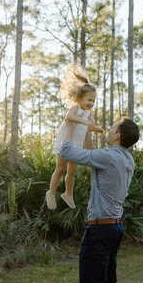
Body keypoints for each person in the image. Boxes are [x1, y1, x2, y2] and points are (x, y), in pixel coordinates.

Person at [59, 117, 140, 283]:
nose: (110, 127)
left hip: (99, 230)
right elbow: (94, 154)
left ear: (117, 136)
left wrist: (70, 124)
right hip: (114, 228)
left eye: (114, 126)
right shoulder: (126, 159)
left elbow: (66, 151)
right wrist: (87, 131)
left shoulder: (109, 157)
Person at [46, 66, 104, 210]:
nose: (91, 103)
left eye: (93, 101)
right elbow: (69, 117)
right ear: (80, 98)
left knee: (71, 172)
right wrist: (84, 121)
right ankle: (51, 193)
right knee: (60, 168)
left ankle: (68, 194)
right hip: (65, 144)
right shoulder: (75, 109)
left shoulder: (86, 115)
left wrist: (99, 129)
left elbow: (90, 128)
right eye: (89, 100)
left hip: (76, 147)